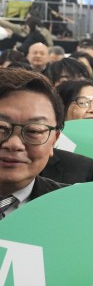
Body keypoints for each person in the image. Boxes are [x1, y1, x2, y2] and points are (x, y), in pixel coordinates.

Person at [0, 69, 68, 215]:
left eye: (34, 131)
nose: (14, 144)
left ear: (54, 141)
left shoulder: (73, 206)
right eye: (1, 127)